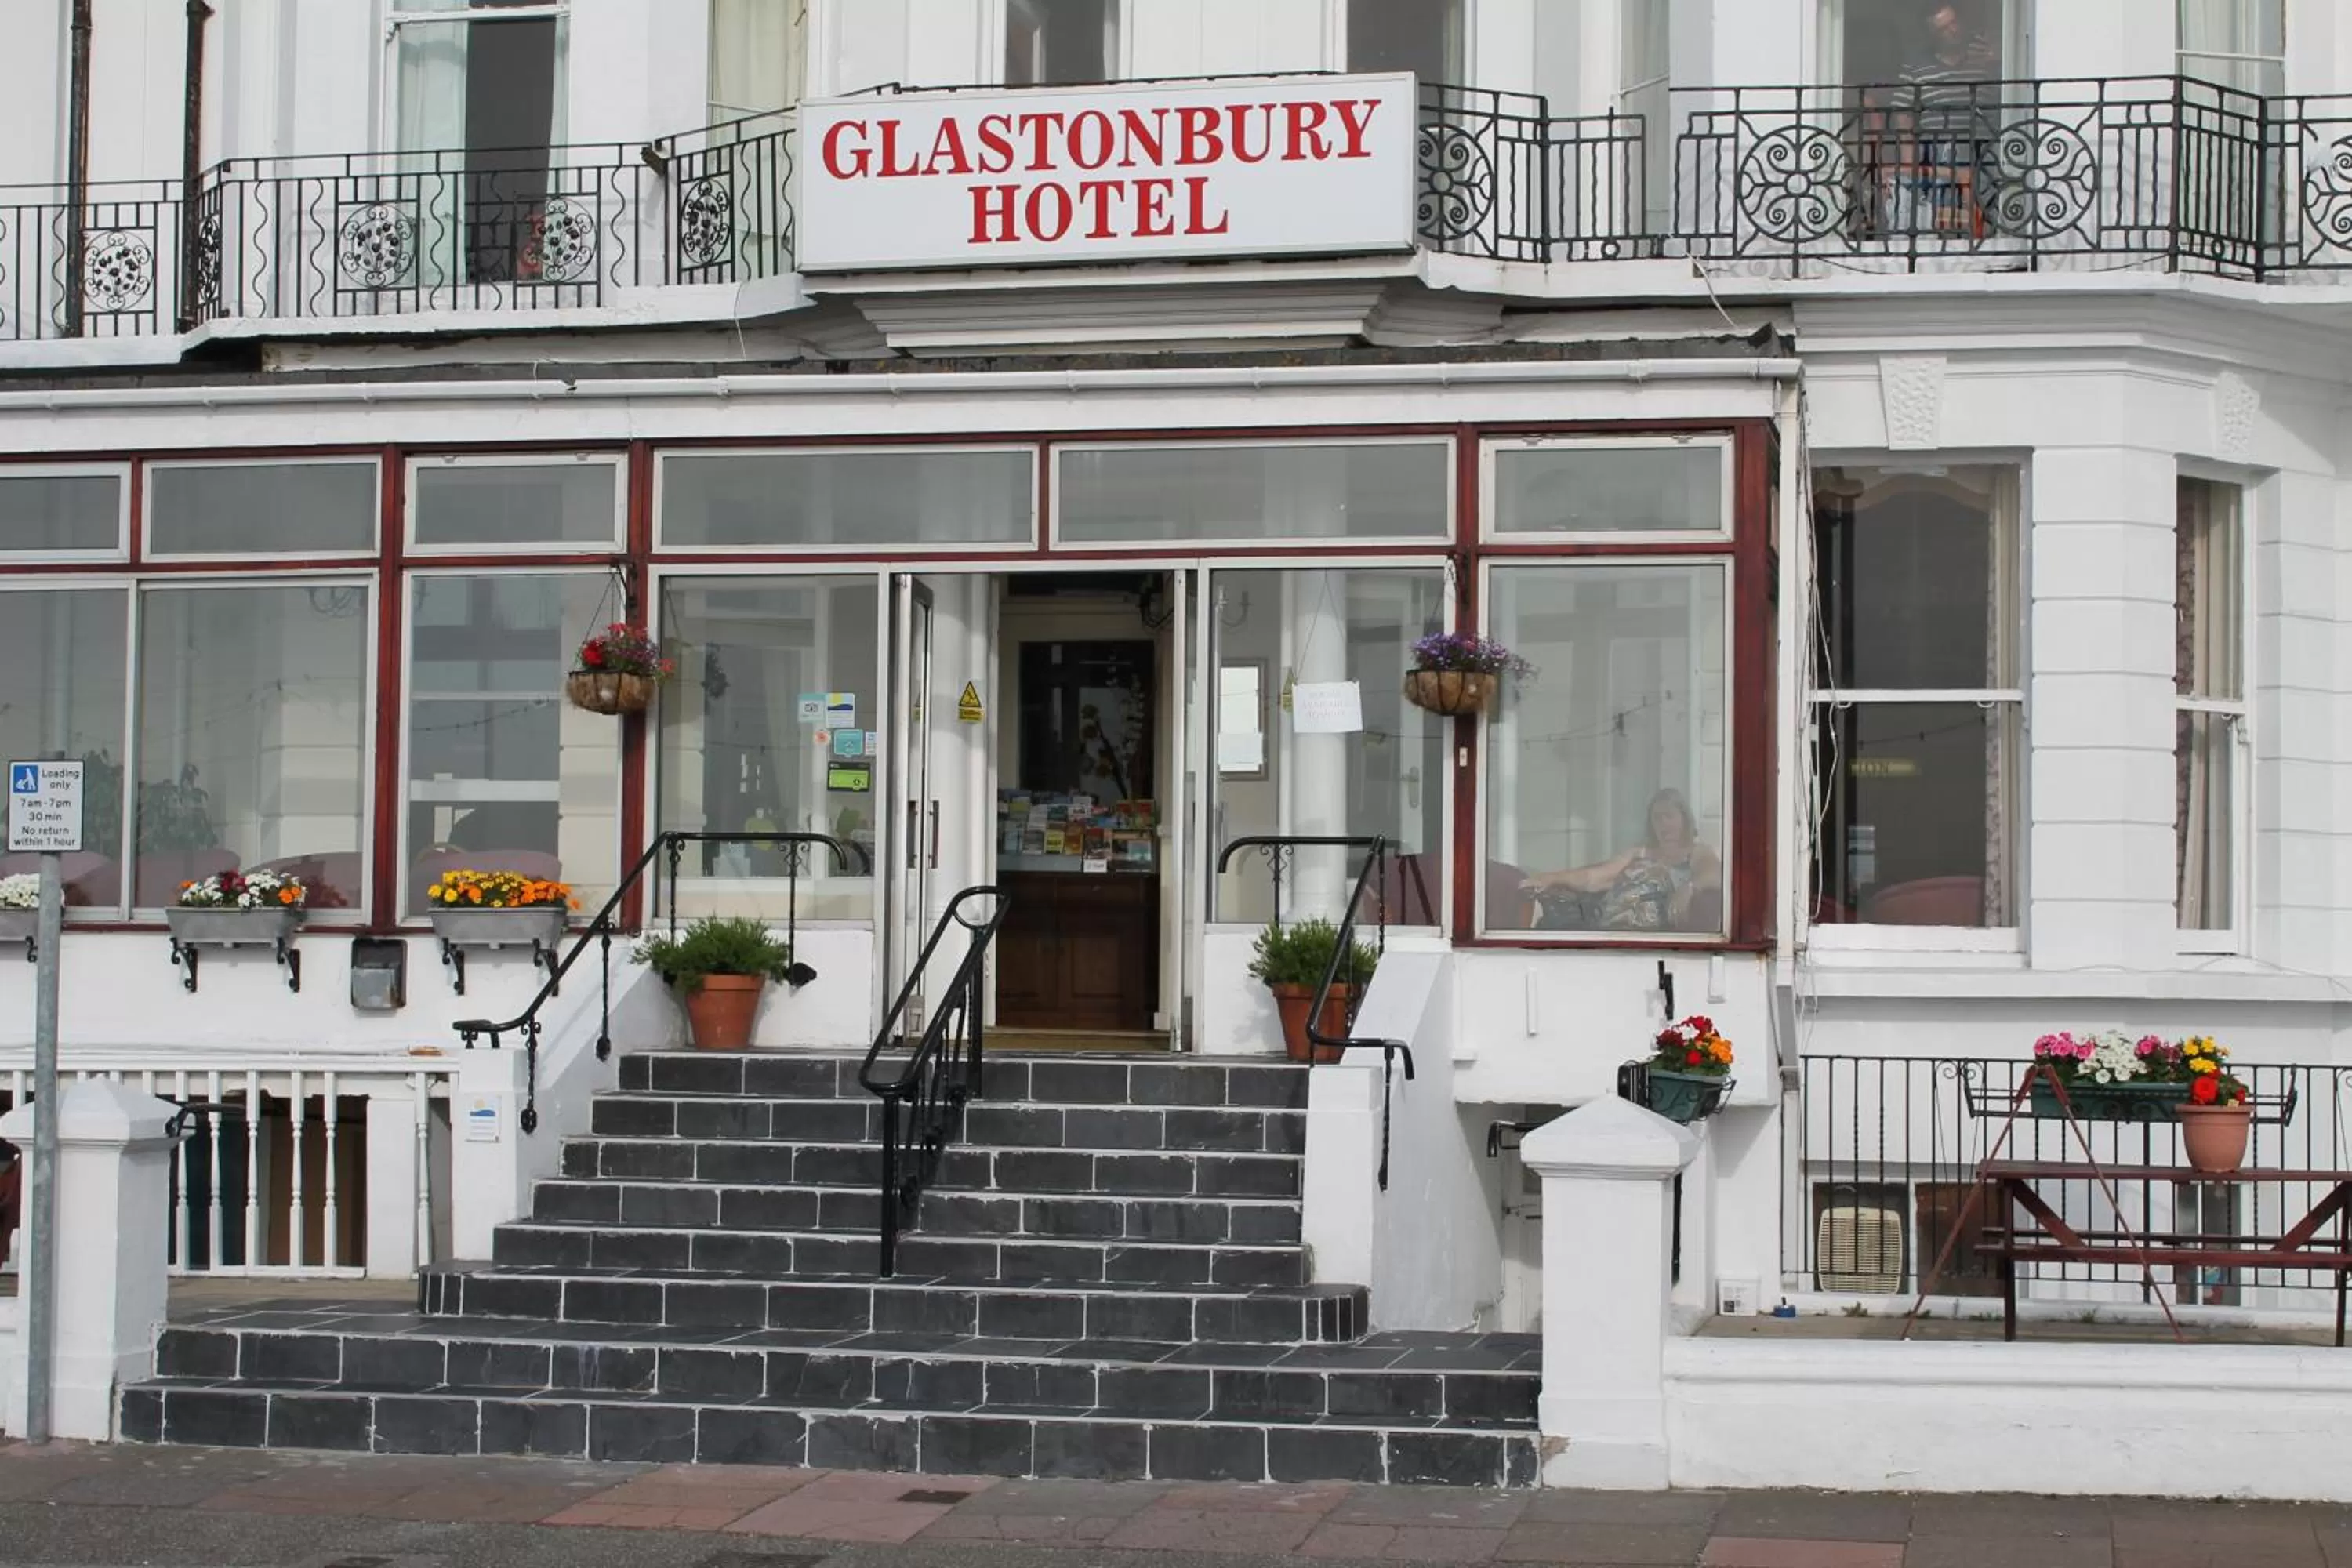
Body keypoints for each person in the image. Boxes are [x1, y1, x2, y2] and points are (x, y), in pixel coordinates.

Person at [1523, 789, 1722, 934]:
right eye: (1657, 818)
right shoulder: (1640, 852)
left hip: (1645, 936)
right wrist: (1550, 878)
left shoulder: (1696, 851)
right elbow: (1594, 877)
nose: (1663, 824)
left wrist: (1689, 887)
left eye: (1669, 817)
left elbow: (1715, 875)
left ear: (1684, 819)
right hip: (1604, 925)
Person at [1886, 2, 2000, 234]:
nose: (1953, 31)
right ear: (1933, 35)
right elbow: (1903, 113)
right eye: (1944, 28)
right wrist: (1910, 164)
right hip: (1939, 151)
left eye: (1954, 23)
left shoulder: (1982, 56)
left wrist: (1995, 60)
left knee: (1990, 207)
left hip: (1985, 147)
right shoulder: (1917, 67)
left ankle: (1990, 237)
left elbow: (2008, 92)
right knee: (1946, 210)